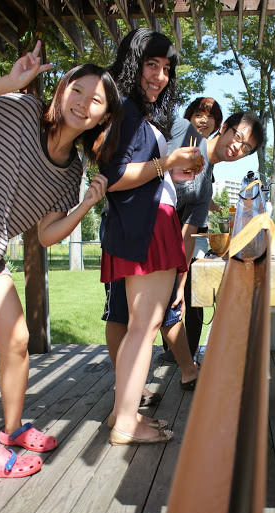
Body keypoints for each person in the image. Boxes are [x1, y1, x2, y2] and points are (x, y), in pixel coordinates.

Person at [0, 41, 121, 478]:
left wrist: (83, 207)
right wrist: (10, 81)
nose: (83, 103)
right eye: (78, 89)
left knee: (17, 340)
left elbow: (46, 235)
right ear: (61, 89)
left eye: (95, 100)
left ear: (103, 117)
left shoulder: (72, 169)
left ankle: (12, 430)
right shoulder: (18, 109)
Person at [104, 110, 264, 412]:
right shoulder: (185, 132)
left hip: (159, 244)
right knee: (120, 315)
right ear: (225, 128)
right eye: (238, 137)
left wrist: (181, 280)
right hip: (125, 228)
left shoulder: (205, 188)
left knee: (159, 315)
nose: (237, 147)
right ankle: (127, 391)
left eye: (246, 148)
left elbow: (188, 235)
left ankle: (169, 378)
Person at [99, 28, 203, 446]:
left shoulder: (136, 112)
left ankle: (119, 414)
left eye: (165, 68)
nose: (159, 76)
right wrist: (166, 163)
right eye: (151, 65)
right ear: (132, 64)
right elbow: (114, 177)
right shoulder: (125, 108)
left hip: (146, 221)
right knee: (144, 326)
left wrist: (174, 170)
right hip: (145, 225)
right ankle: (127, 422)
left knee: (141, 325)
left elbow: (137, 174)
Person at [160, 96, 224, 363]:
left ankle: (191, 349)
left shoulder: (208, 156)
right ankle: (171, 350)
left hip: (194, 229)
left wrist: (211, 204)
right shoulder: (177, 140)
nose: (203, 120)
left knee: (192, 289)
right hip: (164, 225)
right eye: (198, 113)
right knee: (164, 288)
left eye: (210, 117)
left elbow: (199, 189)